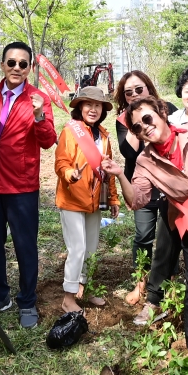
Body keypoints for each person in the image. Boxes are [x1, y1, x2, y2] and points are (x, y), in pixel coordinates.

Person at [102, 95, 188, 362]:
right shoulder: (145, 161)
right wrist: (119, 174)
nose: (145, 127)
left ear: (162, 113)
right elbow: (138, 200)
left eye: (148, 118)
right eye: (137, 127)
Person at [0, 41, 57, 329]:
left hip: (23, 185)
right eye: (11, 62)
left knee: (25, 246)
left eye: (23, 64)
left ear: (30, 68)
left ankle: (27, 300)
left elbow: (48, 141)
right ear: (2, 65)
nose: (16, 68)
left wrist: (38, 116)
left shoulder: (38, 98)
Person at [112, 71, 179, 325]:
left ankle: (168, 280)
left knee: (169, 236)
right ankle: (141, 281)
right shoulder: (123, 119)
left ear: (149, 88)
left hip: (169, 184)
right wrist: (133, 116)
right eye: (128, 92)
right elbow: (129, 151)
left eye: (139, 90)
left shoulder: (169, 109)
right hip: (141, 184)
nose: (134, 95)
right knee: (143, 235)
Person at [55, 86, 120, 313]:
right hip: (72, 198)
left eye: (97, 105)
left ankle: (86, 286)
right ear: (80, 106)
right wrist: (70, 174)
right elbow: (61, 162)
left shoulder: (103, 135)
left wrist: (113, 198)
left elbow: (108, 170)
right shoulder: (70, 131)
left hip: (95, 200)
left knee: (91, 248)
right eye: (88, 104)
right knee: (78, 248)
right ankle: (68, 297)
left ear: (102, 109)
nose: (93, 109)